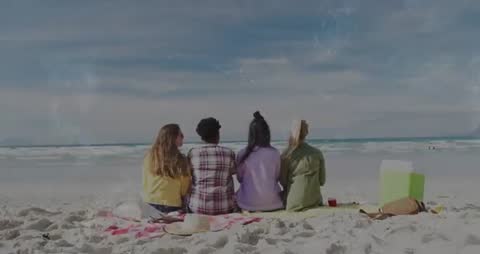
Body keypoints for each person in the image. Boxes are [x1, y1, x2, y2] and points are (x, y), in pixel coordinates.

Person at [187, 117, 237, 215]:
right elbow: (234, 171)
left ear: (201, 137)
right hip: (225, 208)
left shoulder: (192, 153)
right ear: (218, 134)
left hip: (198, 208)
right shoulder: (229, 153)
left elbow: (189, 173)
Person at [236, 111, 283, 212]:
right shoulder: (275, 153)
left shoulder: (242, 153)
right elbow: (277, 176)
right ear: (267, 133)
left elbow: (239, 179)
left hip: (247, 204)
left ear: (251, 134)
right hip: (273, 203)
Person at [142, 124, 191, 213]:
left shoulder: (149, 156)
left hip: (150, 203)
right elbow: (184, 188)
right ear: (173, 138)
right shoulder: (180, 159)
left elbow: (145, 181)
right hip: (171, 205)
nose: (183, 137)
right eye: (181, 135)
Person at [280, 120, 326, 211]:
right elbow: (322, 181)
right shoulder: (317, 153)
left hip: (293, 204)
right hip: (315, 202)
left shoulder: (286, 155)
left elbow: (283, 182)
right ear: (307, 133)